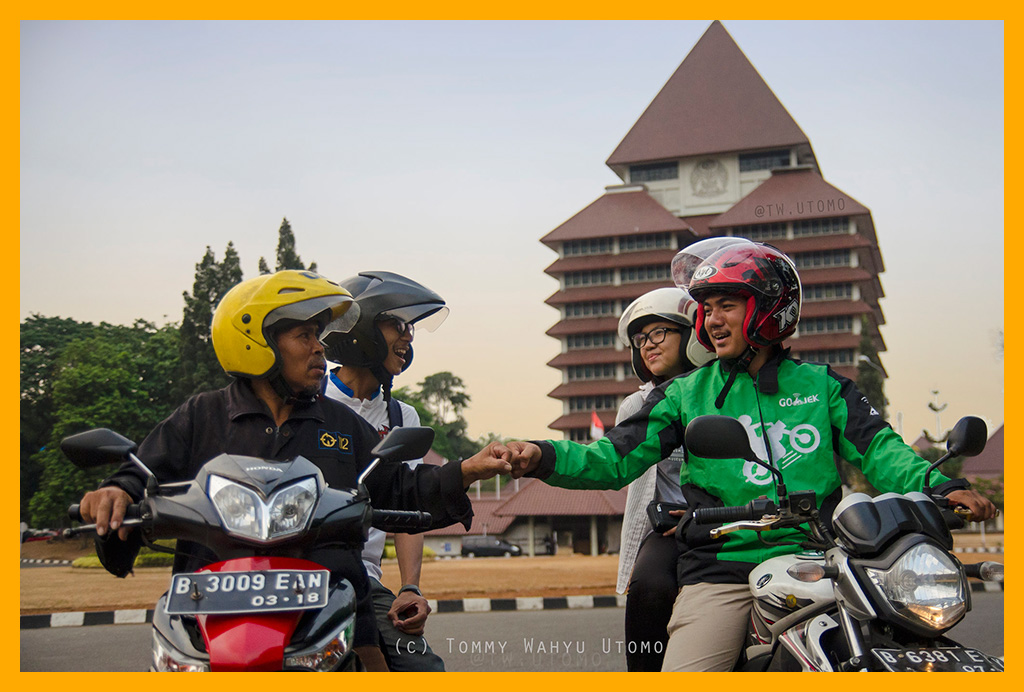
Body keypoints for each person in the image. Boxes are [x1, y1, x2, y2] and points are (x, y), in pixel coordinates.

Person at [504, 238, 997, 672]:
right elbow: (611, 460)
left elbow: (883, 451)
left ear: (768, 308)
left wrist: (942, 484)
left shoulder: (823, 388)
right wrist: (541, 455)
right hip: (722, 569)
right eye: (706, 308)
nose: (711, 320)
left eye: (725, 306)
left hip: (821, 559)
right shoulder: (683, 395)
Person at [77, 270, 512, 671]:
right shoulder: (203, 416)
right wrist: (116, 491)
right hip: (212, 605)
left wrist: (467, 469)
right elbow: (142, 473)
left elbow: (400, 487)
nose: (320, 347)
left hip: (332, 600)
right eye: (305, 335)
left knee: (400, 669)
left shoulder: (341, 425)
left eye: (319, 336)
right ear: (257, 343)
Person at [321, 270, 449, 671]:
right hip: (309, 571)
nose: (409, 336)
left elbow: (407, 510)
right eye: (398, 324)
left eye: (410, 326)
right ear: (360, 328)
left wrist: (409, 587)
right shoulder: (313, 400)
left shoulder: (401, 415)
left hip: (367, 581)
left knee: (423, 670)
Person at [613, 286, 714, 671]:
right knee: (650, 587)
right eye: (640, 339)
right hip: (668, 527)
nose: (647, 346)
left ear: (691, 335)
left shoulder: (723, 394)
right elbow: (619, 465)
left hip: (727, 519)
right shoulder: (636, 406)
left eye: (659, 333)